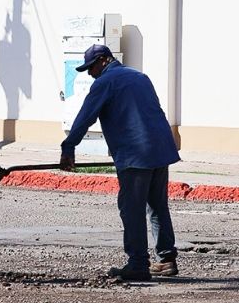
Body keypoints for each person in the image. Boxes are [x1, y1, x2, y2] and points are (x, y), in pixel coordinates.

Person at [60, 44, 180, 281]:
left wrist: (68, 147)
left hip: (135, 153)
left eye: (91, 67)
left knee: (132, 209)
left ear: (104, 60)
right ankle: (166, 260)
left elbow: (85, 117)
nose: (90, 73)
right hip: (160, 149)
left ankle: (137, 264)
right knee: (157, 206)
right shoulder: (140, 77)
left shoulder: (105, 82)